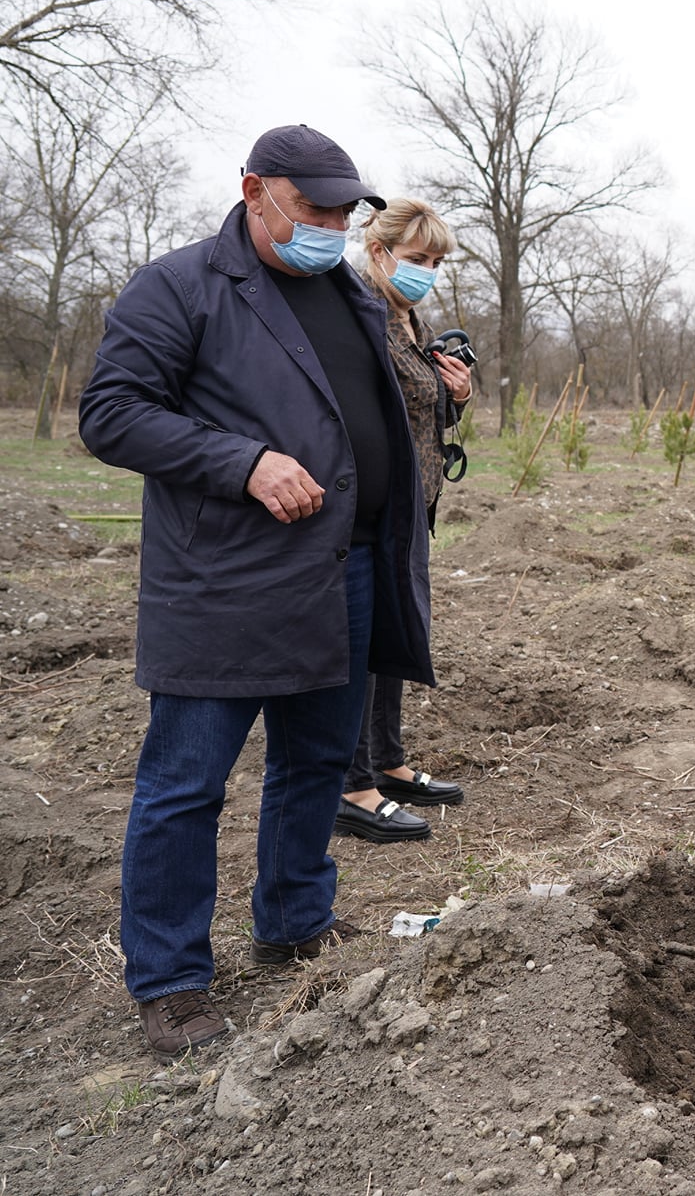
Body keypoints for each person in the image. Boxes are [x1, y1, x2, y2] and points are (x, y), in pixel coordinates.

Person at [78, 125, 432, 1059]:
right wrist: (243, 462)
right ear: (253, 191)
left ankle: (294, 919)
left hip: (346, 567)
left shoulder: (348, 293)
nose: (331, 227)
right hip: (226, 580)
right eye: (313, 208)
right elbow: (111, 414)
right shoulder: (179, 287)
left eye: (342, 212)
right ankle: (170, 979)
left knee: (317, 761)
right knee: (185, 784)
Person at [335, 198, 472, 843]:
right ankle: (352, 782)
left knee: (396, 632)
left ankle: (387, 760)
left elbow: (418, 405)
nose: (429, 272)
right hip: (370, 508)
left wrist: (457, 394)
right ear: (379, 251)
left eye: (437, 262)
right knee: (362, 642)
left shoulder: (410, 320)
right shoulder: (357, 314)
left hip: (414, 504)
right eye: (419, 259)